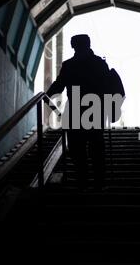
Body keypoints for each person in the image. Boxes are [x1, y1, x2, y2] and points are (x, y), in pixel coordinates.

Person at [46, 34, 108, 191]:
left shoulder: (69, 65)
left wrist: (46, 95)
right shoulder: (99, 63)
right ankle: (99, 183)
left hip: (74, 111)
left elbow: (59, 86)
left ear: (74, 46)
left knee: (77, 148)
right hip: (95, 110)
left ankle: (83, 182)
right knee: (96, 147)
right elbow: (107, 87)